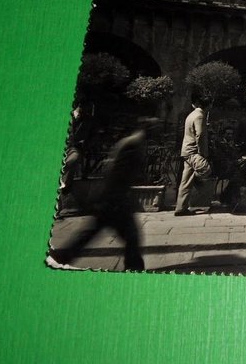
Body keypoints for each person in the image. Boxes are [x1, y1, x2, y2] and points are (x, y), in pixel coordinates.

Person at [47, 118, 159, 271]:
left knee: (91, 234)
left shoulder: (131, 142)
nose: (155, 132)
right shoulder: (133, 145)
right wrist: (117, 196)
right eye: (153, 129)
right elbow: (118, 173)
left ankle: (62, 257)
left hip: (112, 199)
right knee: (130, 237)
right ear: (147, 129)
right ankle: (134, 269)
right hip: (115, 200)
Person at [174, 94, 213, 216]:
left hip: (187, 151)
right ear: (208, 105)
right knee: (206, 169)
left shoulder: (192, 114)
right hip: (193, 151)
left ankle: (180, 208)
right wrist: (202, 153)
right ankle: (197, 181)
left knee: (186, 181)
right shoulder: (200, 116)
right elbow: (200, 135)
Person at [60, 100, 95, 195]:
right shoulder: (69, 115)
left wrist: (84, 144)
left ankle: (65, 186)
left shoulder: (88, 121)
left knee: (73, 159)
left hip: (74, 147)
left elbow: (89, 137)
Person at [211, 126, 242, 207]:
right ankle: (230, 198)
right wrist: (234, 162)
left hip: (230, 166)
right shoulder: (220, 144)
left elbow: (235, 155)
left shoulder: (231, 144)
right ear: (224, 134)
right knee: (236, 175)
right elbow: (220, 158)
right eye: (228, 134)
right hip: (222, 168)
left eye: (231, 134)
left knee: (241, 170)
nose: (230, 136)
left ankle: (231, 197)